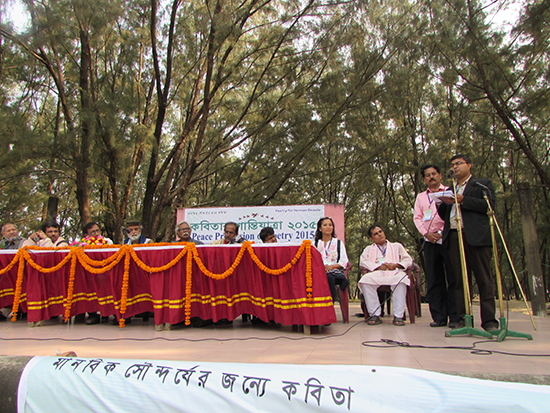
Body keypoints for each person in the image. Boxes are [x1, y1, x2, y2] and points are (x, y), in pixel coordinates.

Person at [437, 154, 498, 331]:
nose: (455, 167)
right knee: (459, 280)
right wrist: (442, 202)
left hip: (476, 236)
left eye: (458, 163)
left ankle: (489, 321)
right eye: (452, 165)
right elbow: (444, 216)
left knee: (483, 279)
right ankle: (463, 319)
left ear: (469, 165)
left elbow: (488, 206)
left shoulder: (481, 185)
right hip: (454, 235)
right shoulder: (450, 188)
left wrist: (463, 200)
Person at [414, 164, 458, 328]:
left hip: (447, 238)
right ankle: (439, 317)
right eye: (428, 175)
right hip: (429, 242)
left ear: (440, 175)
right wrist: (426, 234)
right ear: (424, 179)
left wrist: (441, 232)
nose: (431, 177)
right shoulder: (421, 197)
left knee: (453, 277)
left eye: (434, 174)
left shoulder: (449, 192)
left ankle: (455, 316)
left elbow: (453, 214)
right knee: (434, 279)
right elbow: (417, 218)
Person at [358, 225, 412, 326]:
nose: (380, 234)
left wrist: (396, 265)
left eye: (380, 231)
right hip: (378, 272)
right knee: (365, 280)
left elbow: (408, 259)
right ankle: (375, 314)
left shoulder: (397, 246)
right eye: (376, 234)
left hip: (394, 272)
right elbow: (363, 261)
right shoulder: (368, 249)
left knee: (401, 279)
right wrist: (378, 267)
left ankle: (398, 316)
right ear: (372, 238)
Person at [313, 217, 349, 302]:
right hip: (319, 272)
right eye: (325, 225)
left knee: (329, 277)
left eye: (330, 225)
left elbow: (344, 261)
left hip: (334, 272)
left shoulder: (338, 243)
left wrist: (331, 266)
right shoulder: (315, 244)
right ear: (320, 228)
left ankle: (330, 304)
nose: (328, 227)